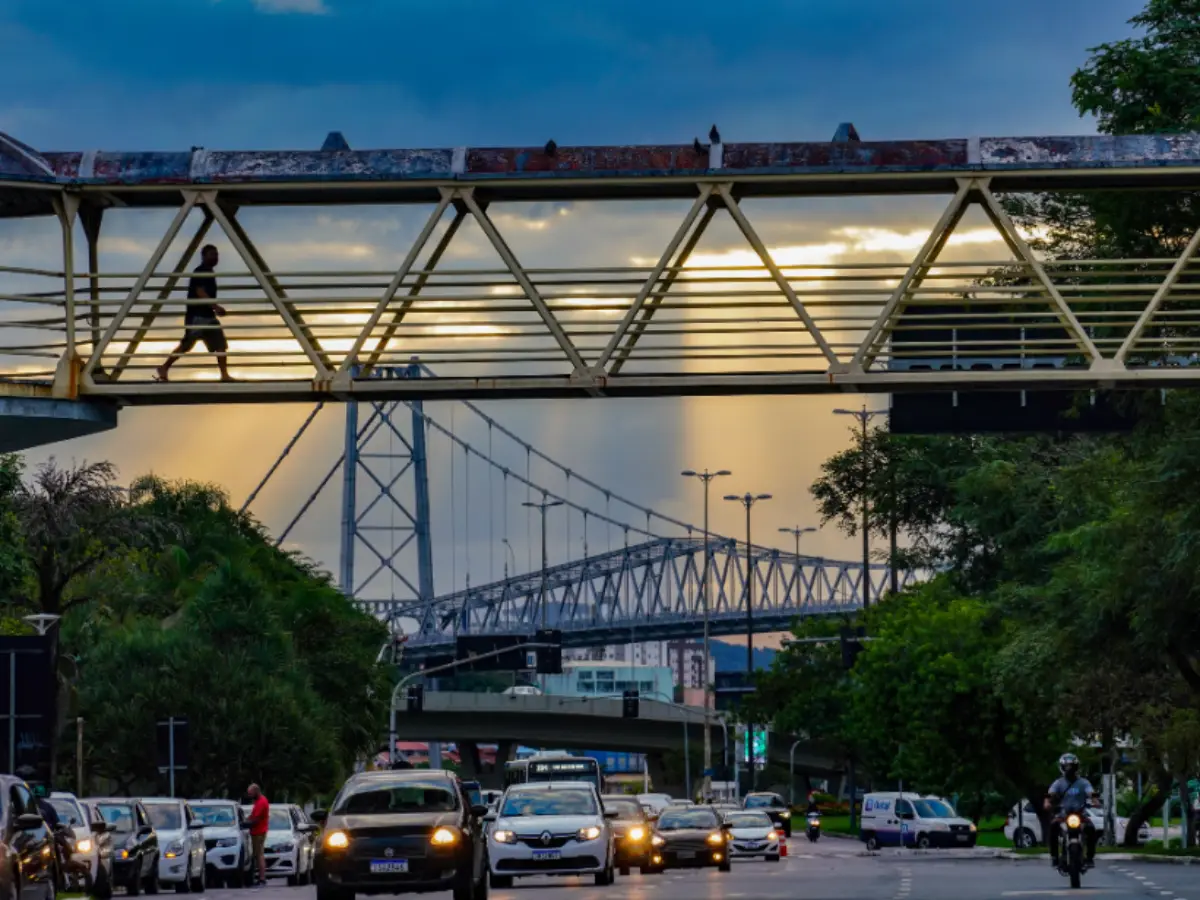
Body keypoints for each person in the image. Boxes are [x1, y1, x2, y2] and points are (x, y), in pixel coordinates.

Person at [155, 244, 232, 382]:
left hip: (207, 316)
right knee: (186, 345)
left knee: (220, 343)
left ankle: (224, 375)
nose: (215, 257)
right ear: (203, 256)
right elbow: (200, 291)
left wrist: (213, 308)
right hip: (198, 316)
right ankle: (164, 367)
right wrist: (215, 306)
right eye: (212, 254)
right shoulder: (201, 271)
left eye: (216, 254)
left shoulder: (208, 272)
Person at [1044, 752, 1099, 870]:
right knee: (1053, 826)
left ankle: (1090, 858)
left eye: (1072, 767)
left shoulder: (1083, 782)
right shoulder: (1058, 783)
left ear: (1076, 767)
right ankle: (1054, 857)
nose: (1069, 770)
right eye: (1067, 767)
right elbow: (1051, 793)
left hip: (1080, 814)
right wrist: (1048, 802)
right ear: (1062, 768)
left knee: (1091, 829)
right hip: (1063, 814)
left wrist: (1094, 800)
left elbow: (1090, 792)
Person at [245, 784, 269, 888]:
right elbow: (253, 816)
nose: (249, 795)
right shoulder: (258, 801)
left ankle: (262, 878)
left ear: (256, 791)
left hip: (259, 832)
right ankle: (259, 878)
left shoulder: (261, 802)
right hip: (256, 832)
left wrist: (245, 824)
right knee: (257, 855)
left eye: (250, 793)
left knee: (259, 855)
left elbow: (256, 819)